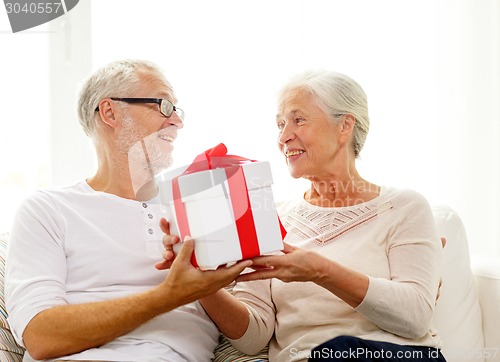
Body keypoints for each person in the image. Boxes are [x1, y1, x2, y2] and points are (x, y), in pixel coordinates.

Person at [160, 70, 447, 361]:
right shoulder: (269, 216)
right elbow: (253, 336)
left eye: (298, 120)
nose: (284, 137)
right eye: (280, 124)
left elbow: (416, 317)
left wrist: (320, 271)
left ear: (344, 127)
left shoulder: (403, 207)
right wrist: (199, 285)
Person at [5, 59, 251, 362]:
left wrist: (203, 285)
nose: (177, 121)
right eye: (163, 106)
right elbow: (41, 337)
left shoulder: (201, 206)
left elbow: (249, 335)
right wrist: (168, 296)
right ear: (110, 112)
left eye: (177, 110)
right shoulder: (47, 209)